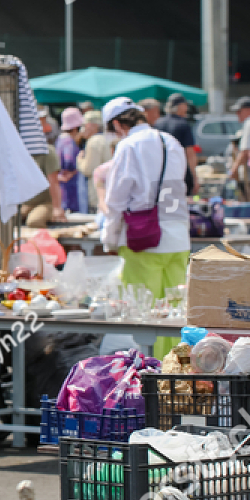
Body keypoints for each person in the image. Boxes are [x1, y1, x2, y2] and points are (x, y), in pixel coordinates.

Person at [100, 96, 188, 356]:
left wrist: (110, 239)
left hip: (144, 240)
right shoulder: (171, 142)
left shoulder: (128, 146)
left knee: (145, 316)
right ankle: (178, 375)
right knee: (176, 314)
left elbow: (116, 200)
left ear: (117, 124)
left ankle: (151, 377)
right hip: (178, 237)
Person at [155, 92, 199, 194]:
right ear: (180, 106)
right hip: (180, 173)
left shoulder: (158, 123)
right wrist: (195, 177)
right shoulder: (183, 124)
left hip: (160, 172)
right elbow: (190, 153)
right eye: (185, 105)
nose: (187, 108)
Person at [77, 111, 110, 213]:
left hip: (97, 195)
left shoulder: (94, 141)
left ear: (92, 125)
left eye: (84, 125)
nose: (82, 129)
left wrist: (79, 160)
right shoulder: (107, 138)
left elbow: (88, 169)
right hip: (107, 192)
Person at [55, 107, 84, 214]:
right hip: (70, 183)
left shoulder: (60, 139)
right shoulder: (69, 141)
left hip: (62, 181)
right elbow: (69, 161)